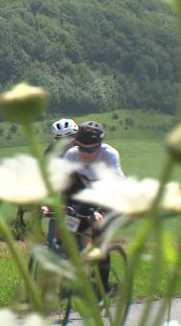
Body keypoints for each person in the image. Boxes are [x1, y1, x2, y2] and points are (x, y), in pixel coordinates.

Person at [62, 120, 125, 295]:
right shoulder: (71, 155)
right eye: (82, 148)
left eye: (91, 149)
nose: (86, 154)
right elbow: (63, 184)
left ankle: (102, 288)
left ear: (100, 145)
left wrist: (101, 212)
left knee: (98, 234)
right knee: (72, 229)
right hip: (87, 196)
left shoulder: (109, 155)